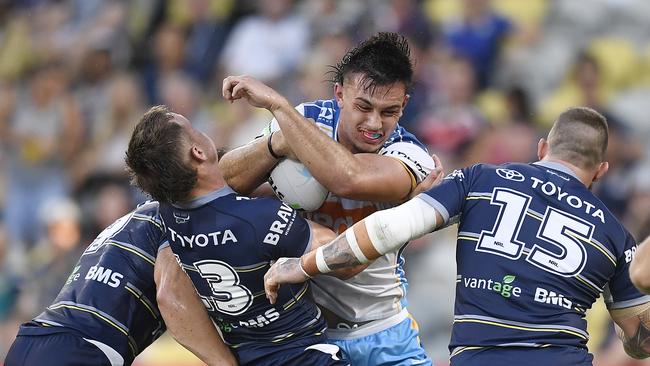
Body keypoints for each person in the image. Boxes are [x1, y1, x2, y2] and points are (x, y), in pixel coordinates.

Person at [264, 107, 650, 365]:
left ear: (543, 147)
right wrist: (631, 339)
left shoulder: (481, 178)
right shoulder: (615, 236)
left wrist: (303, 264)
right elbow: (640, 338)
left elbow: (386, 230)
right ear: (600, 170)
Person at [220, 32, 436, 366]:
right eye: (363, 107)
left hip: (381, 332)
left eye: (389, 111)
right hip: (305, 335)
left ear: (404, 105)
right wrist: (276, 143)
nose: (374, 124)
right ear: (339, 93)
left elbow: (349, 178)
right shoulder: (306, 120)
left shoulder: (410, 155)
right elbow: (225, 181)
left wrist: (278, 106)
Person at [124, 106, 349, 366]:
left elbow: (168, 296)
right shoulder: (261, 219)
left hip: (247, 358)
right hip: (306, 356)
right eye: (194, 129)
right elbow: (345, 258)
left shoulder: (168, 216)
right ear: (197, 152)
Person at [5, 201, 237, 366]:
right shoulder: (177, 216)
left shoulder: (129, 220)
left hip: (29, 341)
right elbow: (170, 297)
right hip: (82, 348)